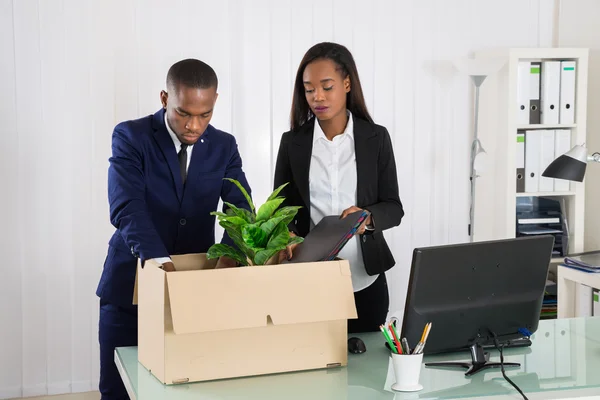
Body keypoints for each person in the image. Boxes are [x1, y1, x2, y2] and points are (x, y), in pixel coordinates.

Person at [96, 59, 251, 399]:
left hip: (195, 292)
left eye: (205, 114)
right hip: (130, 285)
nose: (195, 125)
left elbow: (241, 207)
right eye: (184, 113)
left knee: (186, 387)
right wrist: (160, 262)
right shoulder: (131, 136)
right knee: (118, 388)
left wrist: (229, 255)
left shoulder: (224, 146)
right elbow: (127, 206)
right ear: (165, 98)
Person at [274, 42, 404, 334]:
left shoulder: (376, 138)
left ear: (347, 83)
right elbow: (280, 210)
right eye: (309, 89)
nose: (317, 97)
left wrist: (366, 217)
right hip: (310, 281)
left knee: (368, 371)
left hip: (365, 279)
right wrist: (289, 237)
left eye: (327, 86)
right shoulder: (292, 143)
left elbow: (394, 208)